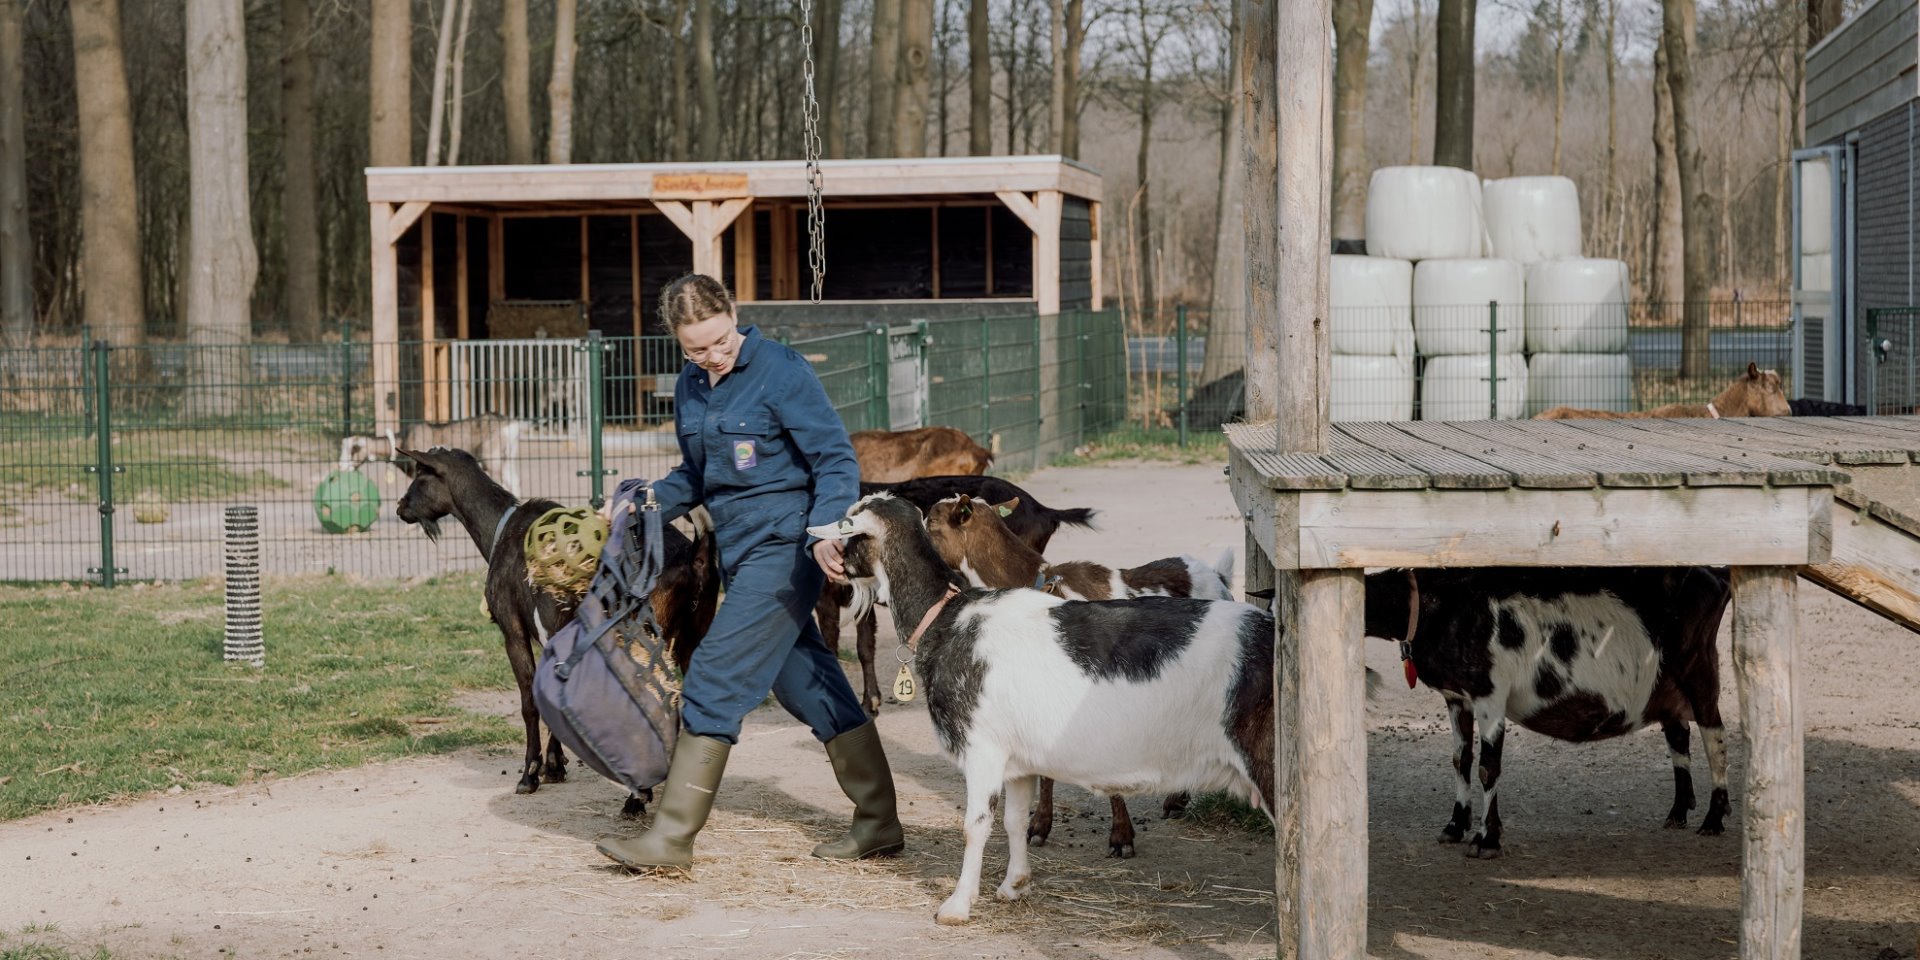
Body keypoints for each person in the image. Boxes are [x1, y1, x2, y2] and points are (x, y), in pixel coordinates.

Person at [595, 273, 903, 873]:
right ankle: (879, 821)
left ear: (733, 314)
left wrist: (823, 532)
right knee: (803, 679)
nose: (711, 356)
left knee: (713, 675)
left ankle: (671, 839)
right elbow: (696, 475)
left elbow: (835, 457)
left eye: (719, 341)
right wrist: (643, 500)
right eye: (695, 349)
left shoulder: (782, 371)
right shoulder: (690, 386)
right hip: (740, 549)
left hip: (787, 547)